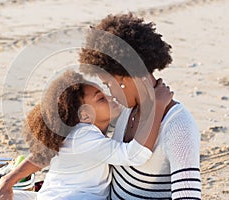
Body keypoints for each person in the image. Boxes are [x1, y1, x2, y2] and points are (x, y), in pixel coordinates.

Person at [0, 70, 172, 200]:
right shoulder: (84, 137)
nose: (110, 97)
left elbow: (43, 156)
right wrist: (158, 106)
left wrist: (7, 181)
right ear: (84, 114)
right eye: (100, 98)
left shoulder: (76, 133)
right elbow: (134, 155)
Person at [79, 13, 201, 199]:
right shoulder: (126, 111)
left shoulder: (178, 126)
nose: (110, 92)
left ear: (121, 77)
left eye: (108, 83)